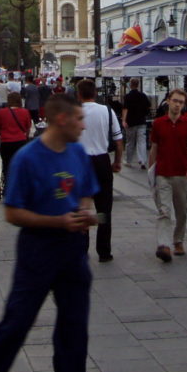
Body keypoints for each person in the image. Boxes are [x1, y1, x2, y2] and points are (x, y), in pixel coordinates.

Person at [0, 94, 99, 372]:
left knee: (74, 328)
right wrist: (57, 221)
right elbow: (13, 213)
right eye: (79, 119)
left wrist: (84, 211)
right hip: (38, 248)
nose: (83, 126)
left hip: (73, 250)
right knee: (16, 324)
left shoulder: (77, 152)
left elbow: (86, 190)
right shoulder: (27, 158)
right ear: (61, 119)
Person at [149, 88, 187, 262]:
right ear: (168, 101)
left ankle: (178, 240)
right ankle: (164, 245)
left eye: (181, 102)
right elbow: (154, 148)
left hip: (181, 173)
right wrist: (151, 171)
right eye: (175, 101)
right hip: (162, 173)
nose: (178, 104)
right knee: (164, 211)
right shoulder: (158, 124)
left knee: (182, 211)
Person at [76, 79, 123, 262]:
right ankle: (104, 250)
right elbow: (118, 141)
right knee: (104, 208)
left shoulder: (74, 113)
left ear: (79, 94)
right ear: (95, 93)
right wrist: (117, 162)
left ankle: (81, 248)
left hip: (81, 163)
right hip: (102, 161)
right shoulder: (107, 111)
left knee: (82, 207)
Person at [0, 92, 33, 196]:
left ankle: (7, 187)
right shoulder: (25, 112)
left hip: (6, 142)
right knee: (20, 166)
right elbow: (28, 127)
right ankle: (20, 187)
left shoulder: (2, 112)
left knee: (6, 165)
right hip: (20, 142)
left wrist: (2, 134)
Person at [122, 79, 151, 169]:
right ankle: (142, 161)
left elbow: (125, 109)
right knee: (141, 142)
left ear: (131, 85)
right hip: (141, 121)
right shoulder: (143, 96)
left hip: (131, 122)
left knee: (130, 142)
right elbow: (148, 106)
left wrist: (124, 120)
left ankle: (128, 161)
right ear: (138, 85)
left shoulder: (127, 97)